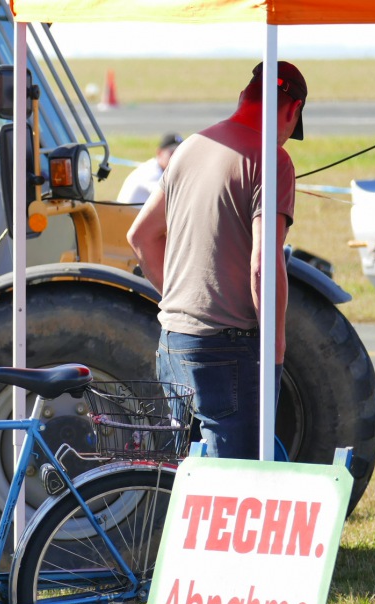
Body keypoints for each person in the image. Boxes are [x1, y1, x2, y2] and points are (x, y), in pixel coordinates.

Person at [126, 61, 306, 460]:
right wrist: (274, 352)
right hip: (227, 350)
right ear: (292, 111)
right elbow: (263, 264)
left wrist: (181, 299)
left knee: (189, 481)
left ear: (244, 96)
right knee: (239, 484)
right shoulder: (272, 160)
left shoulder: (189, 146)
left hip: (173, 341)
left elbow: (140, 236)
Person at [117, 132, 182, 205]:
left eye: (179, 153)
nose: (176, 157)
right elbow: (170, 196)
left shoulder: (156, 169)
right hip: (126, 215)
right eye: (172, 152)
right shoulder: (151, 172)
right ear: (159, 152)